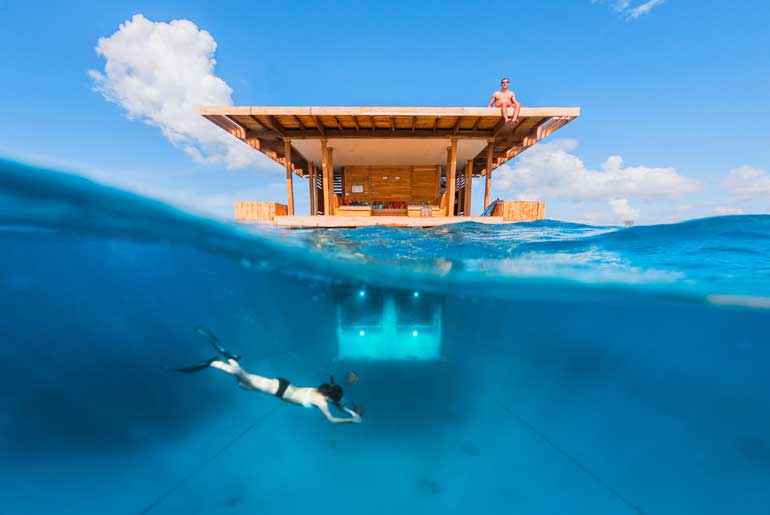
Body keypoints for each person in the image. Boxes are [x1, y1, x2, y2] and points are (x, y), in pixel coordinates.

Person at [177, 327, 362, 424]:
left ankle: (231, 358)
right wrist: (350, 420)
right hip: (277, 389)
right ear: (329, 397)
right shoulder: (321, 402)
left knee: (243, 385)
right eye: (332, 400)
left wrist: (350, 410)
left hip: (282, 386)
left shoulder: (323, 391)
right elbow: (332, 420)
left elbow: (338, 404)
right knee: (245, 377)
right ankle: (214, 362)